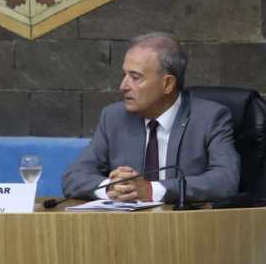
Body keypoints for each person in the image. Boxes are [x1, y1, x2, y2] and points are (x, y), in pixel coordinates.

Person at [62, 32, 239, 203]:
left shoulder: (210, 118)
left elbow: (225, 181)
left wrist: (151, 190)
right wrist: (111, 187)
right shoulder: (114, 118)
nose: (123, 86)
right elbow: (73, 177)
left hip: (184, 227)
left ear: (168, 84)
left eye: (135, 77)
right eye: (124, 75)